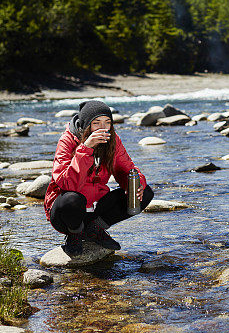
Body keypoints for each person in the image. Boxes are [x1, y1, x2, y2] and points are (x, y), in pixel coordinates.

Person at [44, 100, 154, 255]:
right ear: (85, 125)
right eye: (96, 123)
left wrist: (136, 185)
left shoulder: (113, 140)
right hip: (66, 213)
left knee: (145, 193)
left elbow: (127, 169)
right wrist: (86, 149)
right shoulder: (67, 140)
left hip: (95, 208)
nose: (103, 128)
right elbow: (67, 184)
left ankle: (94, 230)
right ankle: (74, 234)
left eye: (107, 122)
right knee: (72, 198)